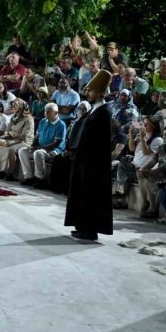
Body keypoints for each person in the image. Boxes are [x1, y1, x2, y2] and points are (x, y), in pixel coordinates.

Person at [65, 70, 114, 242]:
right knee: (82, 193)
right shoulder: (94, 110)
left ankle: (90, 229)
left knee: (90, 195)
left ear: (100, 93)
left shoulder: (104, 113)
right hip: (84, 160)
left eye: (91, 91)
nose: (88, 93)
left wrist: (88, 157)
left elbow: (100, 142)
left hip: (94, 163)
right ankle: (81, 226)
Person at [0, 99, 35, 180]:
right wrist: (10, 133)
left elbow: (24, 136)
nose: (14, 107)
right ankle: (1, 171)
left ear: (22, 107)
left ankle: (10, 173)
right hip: (12, 139)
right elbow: (6, 132)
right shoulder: (13, 117)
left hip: (25, 142)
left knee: (10, 149)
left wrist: (13, 134)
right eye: (13, 106)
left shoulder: (28, 119)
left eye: (16, 105)